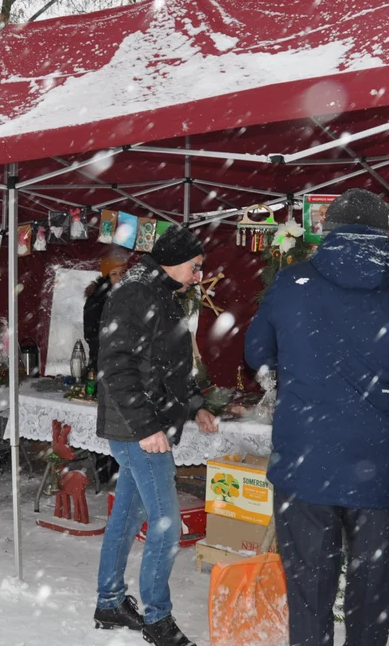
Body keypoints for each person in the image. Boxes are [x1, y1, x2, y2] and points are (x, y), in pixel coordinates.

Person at [245, 189, 389, 646]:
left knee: (309, 595)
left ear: (328, 230)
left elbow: (257, 354)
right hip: (380, 468)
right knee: (371, 597)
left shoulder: (291, 284)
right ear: (387, 234)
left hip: (305, 466)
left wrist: (304, 363)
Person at [93, 225, 218, 646]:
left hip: (148, 424)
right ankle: (157, 619)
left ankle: (110, 602)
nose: (199, 275)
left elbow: (171, 364)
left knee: (127, 516)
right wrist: (148, 428)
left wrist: (197, 404)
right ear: (172, 260)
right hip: (139, 428)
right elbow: (116, 367)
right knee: (166, 525)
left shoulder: (161, 292)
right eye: (196, 266)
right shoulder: (136, 293)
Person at [83, 252, 128, 374]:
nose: (119, 277)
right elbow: (91, 334)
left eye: (122, 272)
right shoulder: (96, 300)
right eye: (114, 274)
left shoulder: (130, 296)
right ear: (106, 278)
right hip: (103, 361)